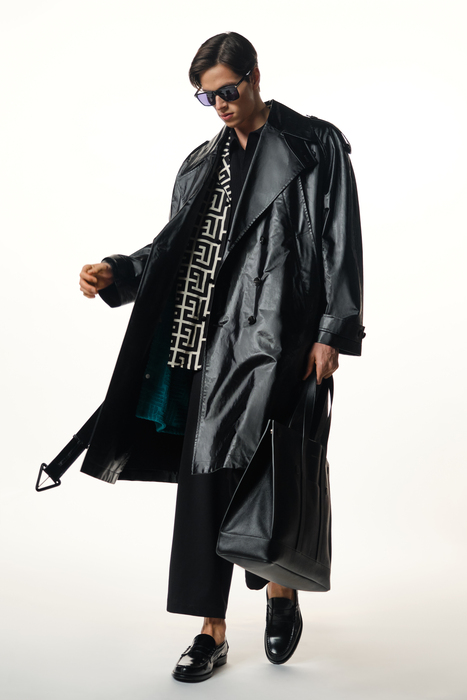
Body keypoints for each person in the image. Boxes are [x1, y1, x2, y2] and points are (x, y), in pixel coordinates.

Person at [78, 32, 364, 682]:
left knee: (270, 468)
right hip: (204, 346)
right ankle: (210, 630)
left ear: (254, 76)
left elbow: (340, 239)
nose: (220, 105)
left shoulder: (313, 143)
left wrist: (333, 330)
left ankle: (280, 585)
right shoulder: (199, 165)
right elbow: (171, 250)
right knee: (205, 478)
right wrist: (118, 271)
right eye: (207, 98)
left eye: (228, 90)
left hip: (283, 339)